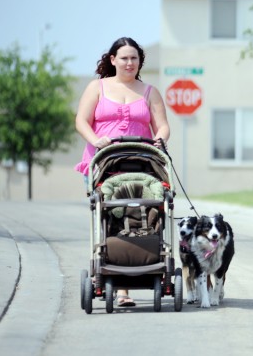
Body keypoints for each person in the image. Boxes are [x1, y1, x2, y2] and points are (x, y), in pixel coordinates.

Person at [74, 37, 170, 307]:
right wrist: (95, 140)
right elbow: (81, 120)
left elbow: (162, 127)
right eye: (124, 58)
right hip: (103, 162)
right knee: (110, 215)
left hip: (141, 163)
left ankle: (144, 267)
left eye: (134, 58)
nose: (130, 63)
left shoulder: (149, 91)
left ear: (140, 61)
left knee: (141, 212)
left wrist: (159, 140)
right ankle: (121, 288)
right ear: (113, 60)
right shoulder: (97, 87)